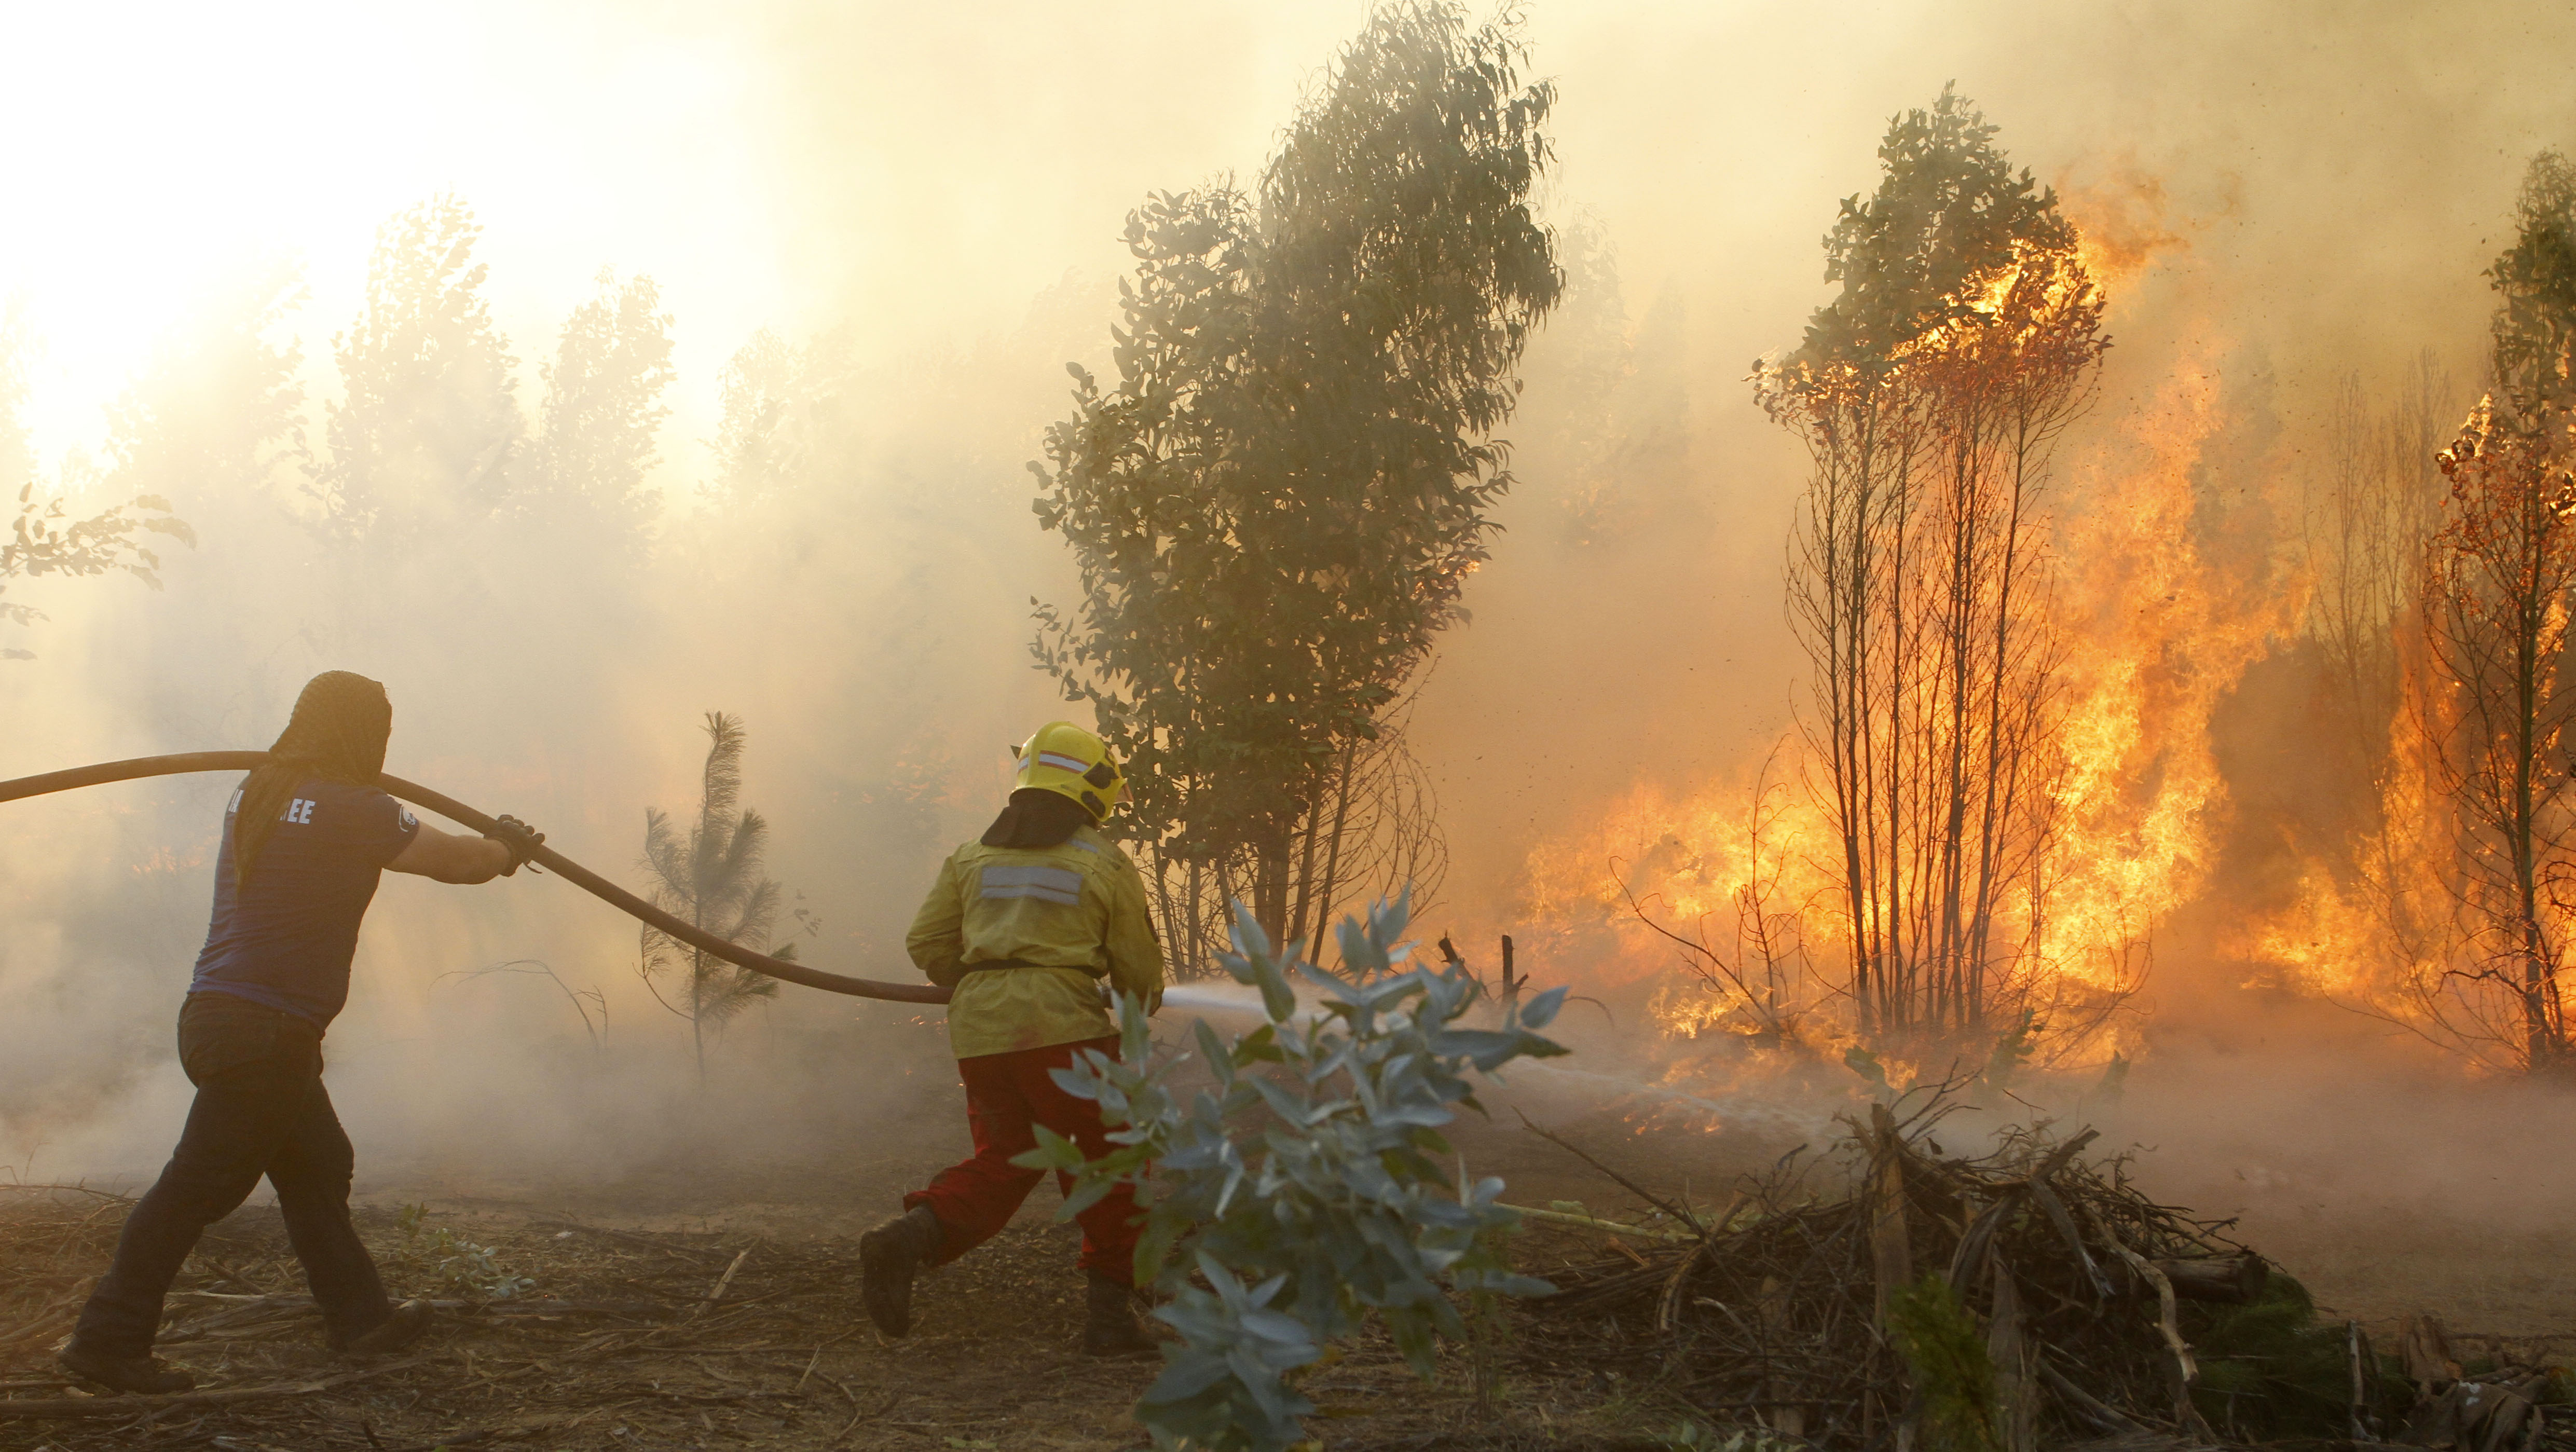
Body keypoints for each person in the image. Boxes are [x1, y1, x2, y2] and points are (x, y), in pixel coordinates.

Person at [57, 671, 545, 1394]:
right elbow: (458, 862)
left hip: (218, 1017)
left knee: (317, 1162)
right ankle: (106, 1340)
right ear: (361, 732)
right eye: (378, 727)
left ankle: (362, 1318)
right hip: (266, 1033)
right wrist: (506, 846)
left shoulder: (255, 789)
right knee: (196, 1187)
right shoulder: (358, 807)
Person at [865, 720, 1166, 1356]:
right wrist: (1136, 1005)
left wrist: (981, 978)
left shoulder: (970, 856)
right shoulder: (1105, 862)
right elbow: (1137, 971)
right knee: (1110, 1163)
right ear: (1094, 783)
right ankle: (1110, 1317)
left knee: (1010, 1156)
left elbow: (926, 942)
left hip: (982, 1033)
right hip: (1064, 1030)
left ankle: (911, 1234)